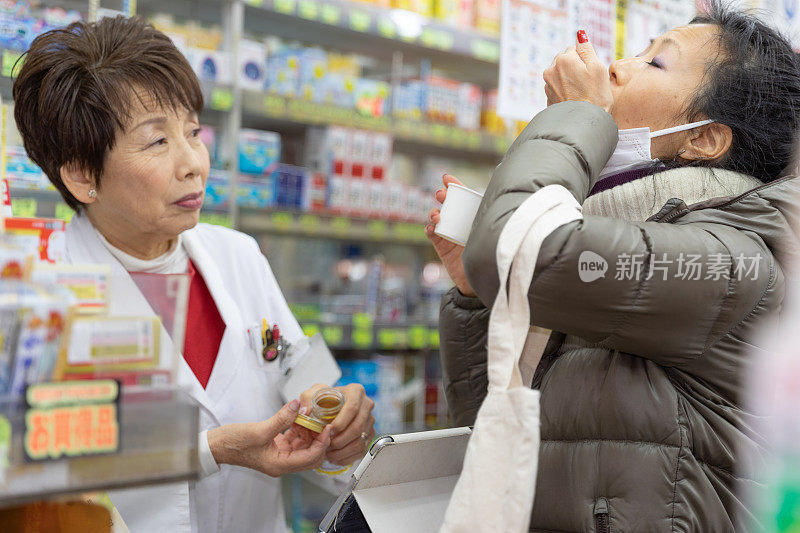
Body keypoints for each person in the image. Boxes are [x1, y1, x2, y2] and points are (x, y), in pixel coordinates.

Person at [427, 3, 800, 531]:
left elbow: (520, 245)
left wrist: (578, 114)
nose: (617, 67)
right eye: (640, 50)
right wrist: (475, 294)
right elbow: (501, 444)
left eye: (656, 63)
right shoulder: (608, 235)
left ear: (704, 139)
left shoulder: (730, 262)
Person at [13, 16, 375, 533]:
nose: (194, 164)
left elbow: (303, 375)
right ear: (81, 174)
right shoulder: (36, 291)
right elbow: (39, 462)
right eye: (157, 142)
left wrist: (341, 418)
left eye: (192, 132)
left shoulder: (238, 255)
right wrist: (214, 450)